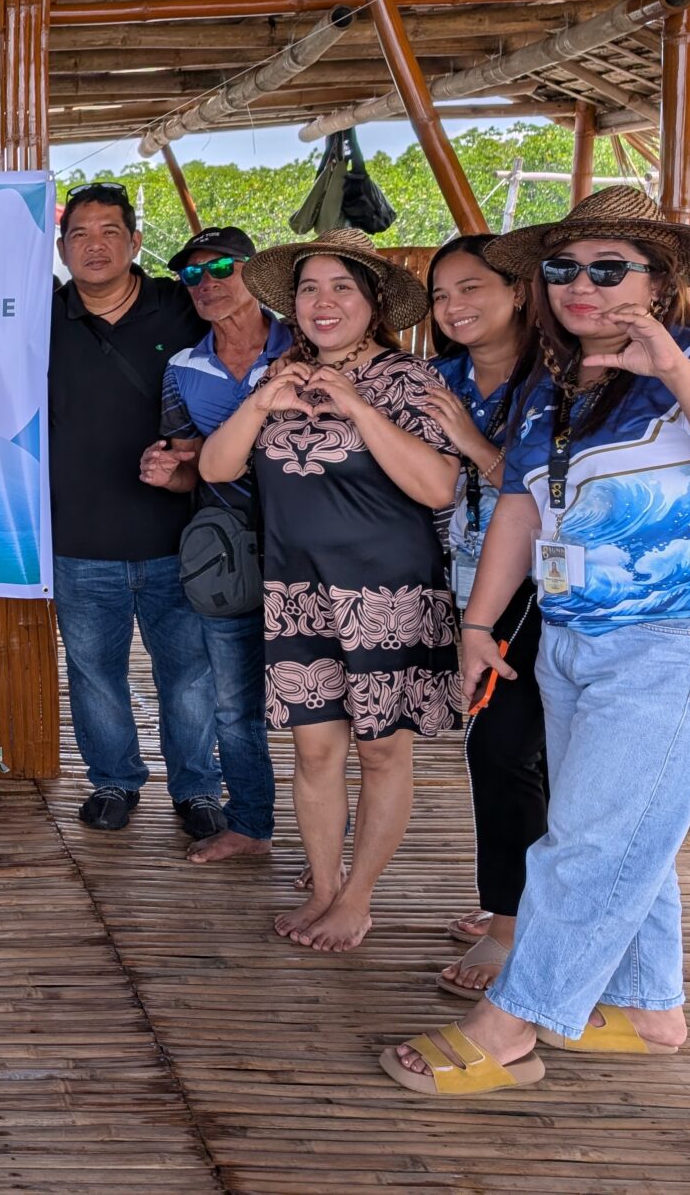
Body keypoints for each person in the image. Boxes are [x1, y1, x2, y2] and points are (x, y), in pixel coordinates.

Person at [384, 187, 690, 1097]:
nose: (580, 285)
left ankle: (509, 1026)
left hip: (672, 641)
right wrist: (480, 625)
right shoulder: (555, 384)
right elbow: (522, 506)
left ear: (663, 278)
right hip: (569, 637)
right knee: (617, 829)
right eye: (564, 268)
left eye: (611, 269)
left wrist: (673, 368)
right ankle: (651, 1007)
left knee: (590, 842)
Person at [200, 229, 461, 953]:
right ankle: (321, 886)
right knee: (314, 752)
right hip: (298, 592)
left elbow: (439, 484)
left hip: (390, 596)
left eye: (342, 287)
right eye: (310, 288)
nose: (323, 302)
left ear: (374, 301)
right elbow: (219, 470)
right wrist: (260, 405)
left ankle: (358, 897)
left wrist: (359, 408)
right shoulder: (278, 376)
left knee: (382, 753)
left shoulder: (409, 379)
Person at [49, 182, 220, 837]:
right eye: (80, 234)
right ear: (62, 249)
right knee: (95, 677)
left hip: (177, 539)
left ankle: (199, 789)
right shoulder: (37, 321)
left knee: (188, 679)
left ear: (136, 241)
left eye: (110, 232)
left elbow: (240, 382)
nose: (95, 245)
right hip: (79, 539)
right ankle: (114, 782)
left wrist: (199, 454)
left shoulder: (183, 309)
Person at [418, 234, 544, 1001]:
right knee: (508, 751)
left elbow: (540, 495)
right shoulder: (439, 376)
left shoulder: (557, 379)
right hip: (465, 588)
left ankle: (510, 923)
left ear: (520, 292)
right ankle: (516, 897)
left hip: (544, 590)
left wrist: (468, 440)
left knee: (505, 751)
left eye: (471, 289)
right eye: (440, 295)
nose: (453, 307)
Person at [144, 226, 292, 865]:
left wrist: (214, 454)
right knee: (234, 708)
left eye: (222, 266)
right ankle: (252, 825)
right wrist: (168, 471)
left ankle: (333, 847)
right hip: (227, 557)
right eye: (191, 274)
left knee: (334, 710)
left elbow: (318, 453)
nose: (206, 283)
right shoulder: (182, 368)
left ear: (257, 272)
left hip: (316, 553)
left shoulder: (308, 345)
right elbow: (191, 469)